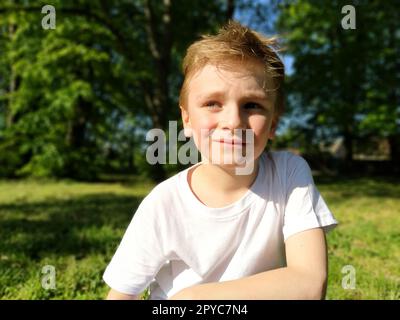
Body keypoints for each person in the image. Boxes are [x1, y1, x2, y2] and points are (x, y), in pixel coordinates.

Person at [103, 21, 338, 300]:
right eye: (212, 103)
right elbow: (122, 295)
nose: (233, 122)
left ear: (273, 123)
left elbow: (309, 284)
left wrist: (195, 299)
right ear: (187, 119)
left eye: (252, 105)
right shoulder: (163, 203)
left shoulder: (288, 175)